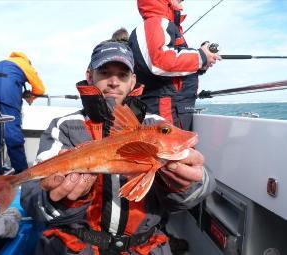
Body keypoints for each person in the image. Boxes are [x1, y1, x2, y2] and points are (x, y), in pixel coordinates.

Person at [21, 40, 215, 255]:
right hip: (78, 247)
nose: (114, 82)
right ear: (89, 75)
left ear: (132, 81)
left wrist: (185, 185)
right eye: (104, 72)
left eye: (122, 75)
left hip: (144, 247)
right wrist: (66, 200)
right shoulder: (64, 126)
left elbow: (195, 191)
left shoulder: (156, 124)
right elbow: (32, 201)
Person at [129, 0, 221, 131]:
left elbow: (171, 69)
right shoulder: (155, 22)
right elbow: (158, 60)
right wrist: (200, 57)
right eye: (179, 0)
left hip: (175, 110)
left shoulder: (163, 25)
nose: (182, 4)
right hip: (166, 109)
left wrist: (201, 64)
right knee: (168, 150)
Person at [0, 52, 45, 173]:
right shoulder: (25, 65)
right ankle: (22, 172)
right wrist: (30, 96)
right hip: (7, 99)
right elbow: (40, 88)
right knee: (13, 137)